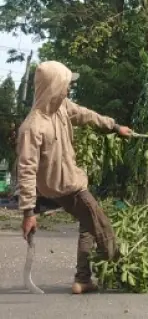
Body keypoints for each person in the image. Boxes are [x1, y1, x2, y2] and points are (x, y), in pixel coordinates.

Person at [17, 61, 133, 294]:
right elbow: (26, 170)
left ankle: (83, 279)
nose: (68, 90)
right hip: (67, 188)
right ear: (53, 87)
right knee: (102, 226)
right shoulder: (32, 127)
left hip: (69, 181)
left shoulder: (60, 108)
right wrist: (28, 213)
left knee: (87, 226)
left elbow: (86, 115)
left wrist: (115, 126)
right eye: (65, 86)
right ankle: (125, 272)